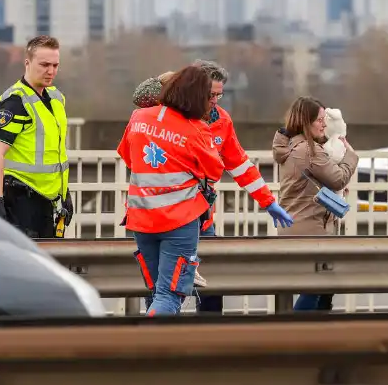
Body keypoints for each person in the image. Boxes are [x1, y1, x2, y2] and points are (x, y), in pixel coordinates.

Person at [131, 60, 293, 314]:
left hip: (197, 219)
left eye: (219, 94)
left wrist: (268, 202)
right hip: (174, 217)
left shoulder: (221, 121)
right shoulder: (169, 115)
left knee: (204, 290)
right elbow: (140, 96)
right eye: (210, 95)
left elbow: (239, 164)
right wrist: (171, 79)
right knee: (165, 292)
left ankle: (204, 337)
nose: (215, 100)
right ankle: (157, 341)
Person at [118, 66, 225, 316]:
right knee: (169, 296)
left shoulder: (139, 117)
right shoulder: (196, 128)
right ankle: (146, 347)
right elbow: (214, 171)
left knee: (157, 292)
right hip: (179, 220)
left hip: (141, 218)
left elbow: (127, 155)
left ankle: (156, 350)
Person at [272, 96, 359, 312]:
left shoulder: (292, 146)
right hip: (310, 228)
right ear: (306, 121)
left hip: (295, 225)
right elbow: (338, 178)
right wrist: (351, 155)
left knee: (320, 288)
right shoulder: (309, 151)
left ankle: (313, 333)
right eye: (320, 120)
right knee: (316, 287)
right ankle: (297, 331)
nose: (325, 124)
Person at [0, 35, 73, 238]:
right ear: (27, 63)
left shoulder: (56, 98)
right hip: (21, 200)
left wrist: (64, 193)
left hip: (49, 201)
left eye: (55, 65)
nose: (51, 71)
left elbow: (54, 152)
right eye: (44, 64)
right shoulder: (15, 102)